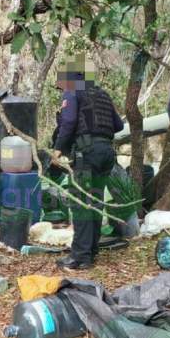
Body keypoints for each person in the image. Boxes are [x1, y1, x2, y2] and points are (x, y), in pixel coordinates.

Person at [52, 55, 125, 271]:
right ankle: (91, 250)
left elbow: (69, 121)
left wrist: (58, 149)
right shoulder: (102, 94)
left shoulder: (73, 91)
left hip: (87, 154)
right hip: (106, 153)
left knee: (82, 204)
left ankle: (80, 257)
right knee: (95, 202)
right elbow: (119, 125)